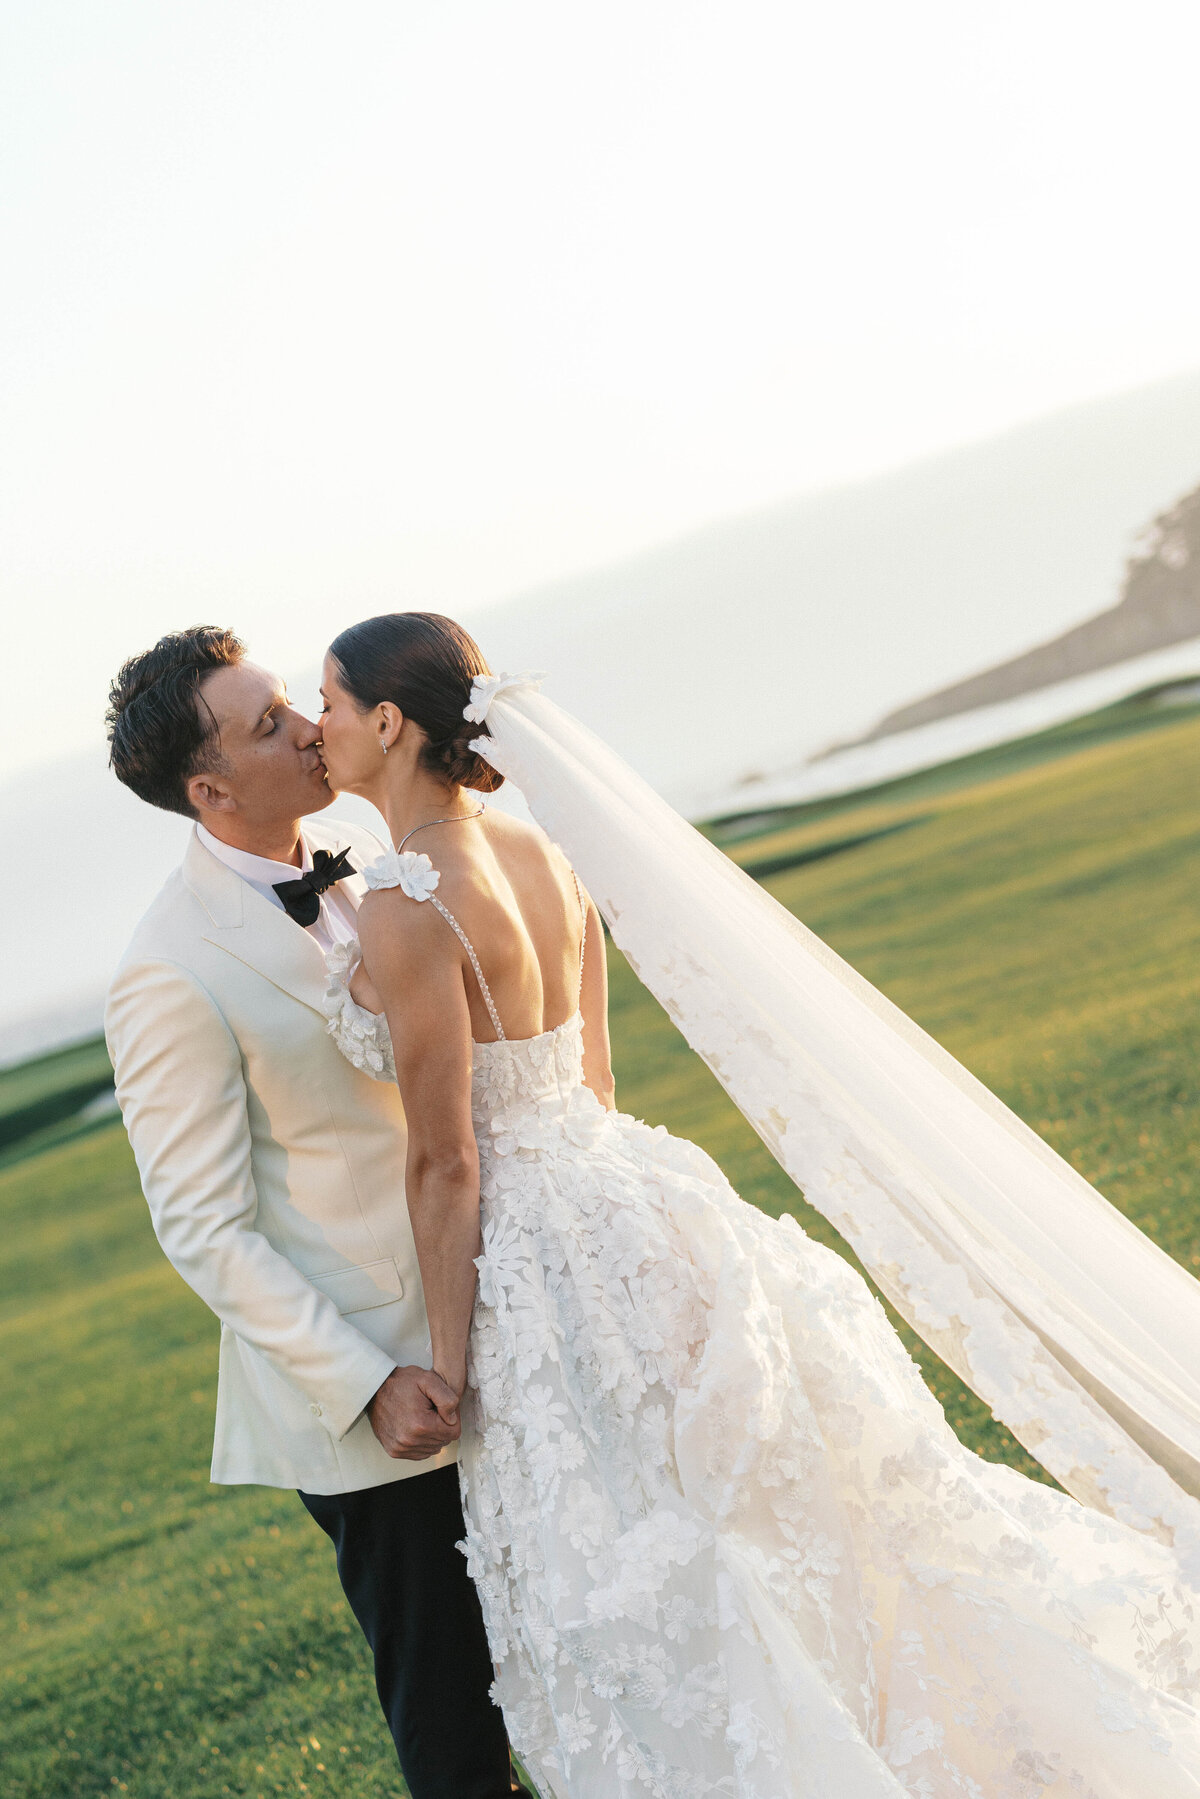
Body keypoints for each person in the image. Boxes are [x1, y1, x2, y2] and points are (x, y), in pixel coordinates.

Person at [316, 609, 1200, 1798]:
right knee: (768, 1518)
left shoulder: (404, 900)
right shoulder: (543, 852)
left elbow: (448, 1162)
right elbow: (593, 1081)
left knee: (641, 1568)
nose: (316, 727)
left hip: (537, 1251)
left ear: (386, 720)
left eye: (325, 703)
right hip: (640, 1202)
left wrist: (450, 1354)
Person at [104, 626, 532, 1799]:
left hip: (502, 1312)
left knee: (579, 1646)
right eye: (265, 725)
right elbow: (202, 1226)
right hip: (380, 1397)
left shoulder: (362, 847)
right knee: (455, 1722)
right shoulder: (167, 969)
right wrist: (364, 1379)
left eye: (293, 701)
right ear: (209, 788)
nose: (306, 727)